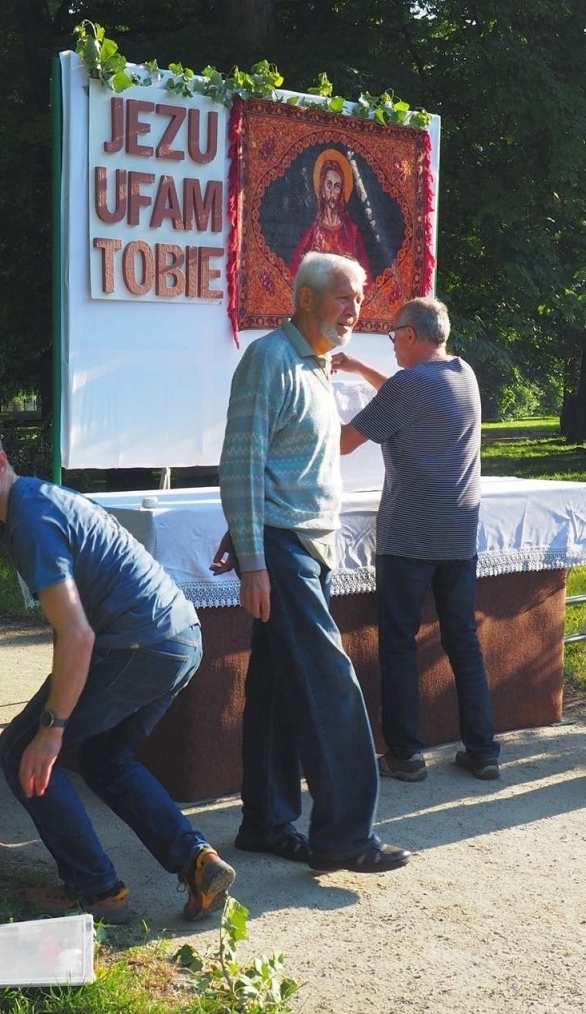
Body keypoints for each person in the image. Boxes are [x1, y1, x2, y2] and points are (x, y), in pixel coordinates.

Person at [0, 412, 235, 924]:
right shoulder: (39, 502)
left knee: (21, 751)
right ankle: (199, 864)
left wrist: (51, 731)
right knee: (106, 759)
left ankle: (96, 891)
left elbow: (77, 635)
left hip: (139, 645)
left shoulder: (32, 521)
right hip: (178, 639)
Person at [213, 251, 411, 874]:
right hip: (282, 549)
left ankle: (266, 823)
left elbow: (275, 465)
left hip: (303, 548)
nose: (355, 310)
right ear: (305, 299)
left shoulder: (318, 367)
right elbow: (240, 463)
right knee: (332, 689)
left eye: (358, 298)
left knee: (274, 689)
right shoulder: (269, 361)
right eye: (344, 298)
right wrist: (252, 557)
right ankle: (345, 837)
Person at [331, 297, 501, 782]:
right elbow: (401, 399)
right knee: (462, 639)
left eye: (392, 338)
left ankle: (406, 754)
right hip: (458, 532)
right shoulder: (462, 373)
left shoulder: (410, 384)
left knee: (400, 642)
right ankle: (483, 750)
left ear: (408, 334)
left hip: (408, 534)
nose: (392, 347)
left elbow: (346, 441)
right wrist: (362, 367)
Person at [290, 150, 371, 278]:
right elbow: (295, 273)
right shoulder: (313, 233)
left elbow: (366, 280)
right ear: (322, 189)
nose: (332, 192)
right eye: (329, 185)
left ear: (342, 191)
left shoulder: (351, 232)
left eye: (337, 186)